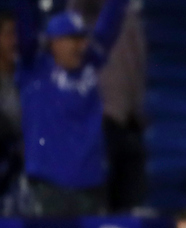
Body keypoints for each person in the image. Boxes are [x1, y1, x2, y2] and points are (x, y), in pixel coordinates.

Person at [14, 0, 131, 216]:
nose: (80, 45)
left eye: (82, 38)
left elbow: (110, 22)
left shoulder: (90, 64)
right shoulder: (35, 67)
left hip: (91, 186)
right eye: (72, 39)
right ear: (53, 42)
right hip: (48, 188)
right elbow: (24, 17)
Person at [68, 0, 146, 212]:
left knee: (128, 209)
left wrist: (138, 114)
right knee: (96, 207)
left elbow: (139, 65)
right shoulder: (73, 19)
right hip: (93, 125)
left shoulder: (128, 16)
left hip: (128, 123)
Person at [0, 13, 21, 210]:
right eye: (8, 34)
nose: (14, 41)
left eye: (17, 34)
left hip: (24, 168)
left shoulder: (29, 76)